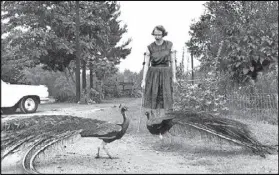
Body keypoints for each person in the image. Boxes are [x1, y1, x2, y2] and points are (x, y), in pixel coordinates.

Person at [141, 25, 177, 119]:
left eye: (159, 35)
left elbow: (173, 62)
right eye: (155, 35)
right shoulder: (150, 47)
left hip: (166, 73)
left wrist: (174, 77)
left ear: (163, 34)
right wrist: (143, 80)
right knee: (154, 95)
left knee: (166, 95)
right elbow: (146, 64)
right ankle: (154, 119)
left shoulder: (169, 45)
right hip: (154, 74)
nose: (157, 37)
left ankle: (165, 118)